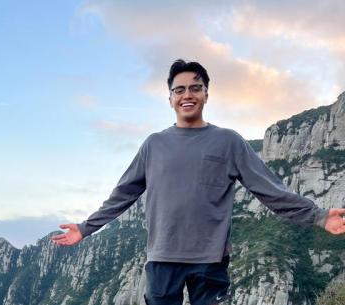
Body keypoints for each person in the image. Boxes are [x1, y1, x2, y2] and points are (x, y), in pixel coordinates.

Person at [51, 59, 345, 305]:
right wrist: (86, 228)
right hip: (162, 258)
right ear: (170, 99)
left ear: (206, 94)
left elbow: (269, 189)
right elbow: (122, 194)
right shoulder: (154, 145)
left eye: (195, 88)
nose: (187, 94)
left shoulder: (228, 142)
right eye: (179, 90)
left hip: (210, 261)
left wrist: (318, 216)